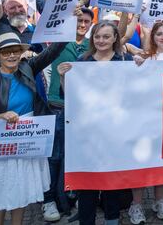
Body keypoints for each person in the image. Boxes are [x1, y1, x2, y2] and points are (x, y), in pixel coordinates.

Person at [0, 32, 65, 225]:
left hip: (27, 141)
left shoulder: (29, 68)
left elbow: (55, 49)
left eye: (15, 51)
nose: (11, 56)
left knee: (20, 192)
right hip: (0, 143)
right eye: (6, 53)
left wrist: (70, 21)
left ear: (21, 53)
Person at [57, 21, 132, 225]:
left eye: (106, 36)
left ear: (115, 38)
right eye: (97, 36)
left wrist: (141, 67)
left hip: (116, 131)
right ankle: (86, 221)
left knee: (111, 179)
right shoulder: (83, 61)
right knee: (87, 181)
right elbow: (71, 96)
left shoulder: (125, 60)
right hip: (87, 132)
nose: (101, 40)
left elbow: (137, 91)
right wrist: (63, 78)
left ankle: (112, 220)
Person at [128, 21, 163, 224]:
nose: (162, 37)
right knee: (142, 161)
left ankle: (160, 200)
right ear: (153, 37)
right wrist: (138, 67)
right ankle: (136, 204)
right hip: (145, 118)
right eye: (158, 33)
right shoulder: (145, 58)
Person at [42, 8, 92, 222]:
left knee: (75, 156)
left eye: (86, 21)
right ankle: (49, 200)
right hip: (58, 104)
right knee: (54, 156)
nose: (82, 24)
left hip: (82, 109)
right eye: (78, 20)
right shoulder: (60, 42)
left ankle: (71, 197)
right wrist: (70, 12)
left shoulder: (92, 46)